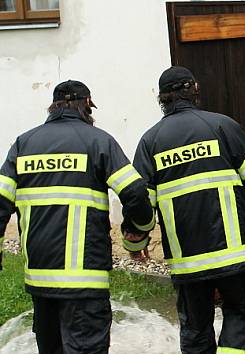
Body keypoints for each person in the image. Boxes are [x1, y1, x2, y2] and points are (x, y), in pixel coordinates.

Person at [0, 80, 155, 353]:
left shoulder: (24, 144)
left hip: (40, 281)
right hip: (85, 283)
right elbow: (135, 191)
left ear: (53, 107)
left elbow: (0, 203)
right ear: (86, 105)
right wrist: (137, 234)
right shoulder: (98, 141)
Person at [125, 66, 245, 354]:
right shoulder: (223, 126)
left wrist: (135, 241)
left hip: (187, 261)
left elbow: (139, 201)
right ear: (195, 90)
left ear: (161, 98)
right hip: (234, 253)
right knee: (243, 311)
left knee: (195, 328)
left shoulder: (150, 142)